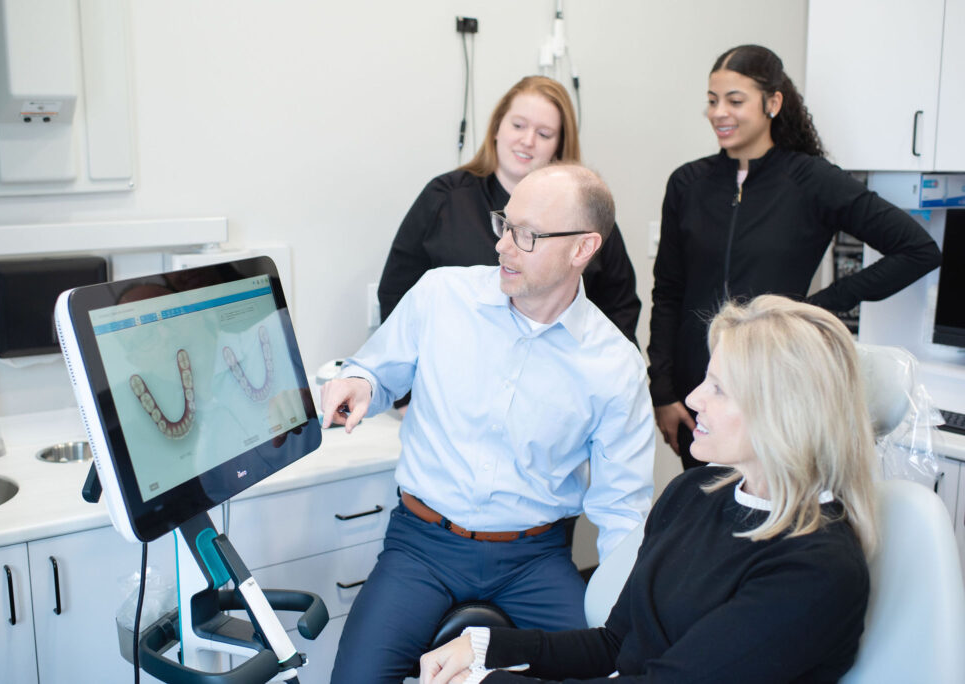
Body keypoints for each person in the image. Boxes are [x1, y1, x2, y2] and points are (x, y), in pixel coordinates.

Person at [420, 294, 878, 684]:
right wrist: (488, 648)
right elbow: (616, 645)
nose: (694, 399)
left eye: (719, 389)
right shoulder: (694, 493)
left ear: (783, 413)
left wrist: (487, 682)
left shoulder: (815, 569)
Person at [322, 164, 655, 683]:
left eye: (527, 235)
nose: (502, 246)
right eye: (505, 224)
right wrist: (360, 382)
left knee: (614, 673)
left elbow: (622, 511)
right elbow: (375, 370)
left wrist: (625, 619)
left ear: (583, 249)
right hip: (422, 547)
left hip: (533, 560)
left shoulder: (614, 366)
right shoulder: (441, 296)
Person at [648, 44, 942, 470]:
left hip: (776, 387)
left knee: (771, 503)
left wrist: (815, 308)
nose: (719, 113)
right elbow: (668, 293)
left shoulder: (811, 180)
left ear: (772, 102)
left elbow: (918, 249)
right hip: (701, 395)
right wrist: (663, 391)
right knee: (706, 505)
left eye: (735, 101)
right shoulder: (687, 183)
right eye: (712, 101)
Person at [379, 76, 641, 348]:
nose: (527, 141)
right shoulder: (444, 198)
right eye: (518, 125)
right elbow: (397, 293)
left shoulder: (583, 214)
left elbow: (619, 308)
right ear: (496, 128)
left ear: (559, 146)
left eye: (544, 134)